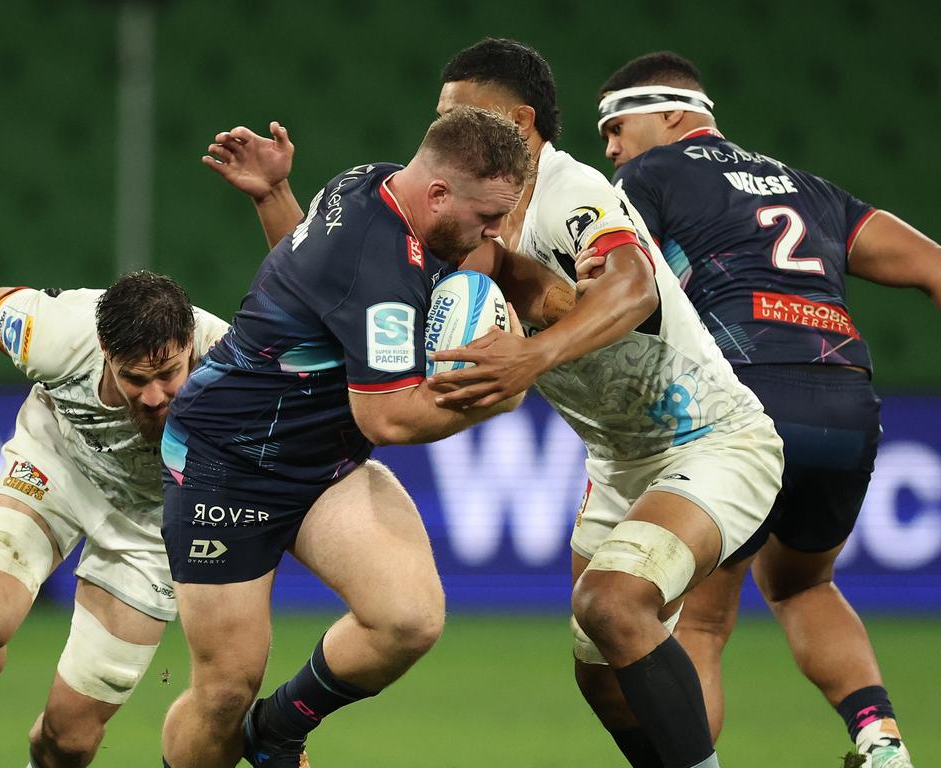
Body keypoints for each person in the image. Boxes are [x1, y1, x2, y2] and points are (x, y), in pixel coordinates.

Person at [222, 39, 784, 768]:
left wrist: (532, 353)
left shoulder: (568, 189)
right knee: (604, 680)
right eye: (438, 117)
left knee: (613, 606)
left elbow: (633, 286)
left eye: (460, 114)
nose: (441, 132)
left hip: (715, 440)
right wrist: (276, 199)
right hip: (620, 462)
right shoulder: (464, 215)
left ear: (520, 124)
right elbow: (327, 285)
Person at [583, 51, 941, 768]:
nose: (613, 147)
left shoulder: (644, 179)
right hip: (845, 402)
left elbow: (614, 285)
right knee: (805, 583)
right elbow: (932, 265)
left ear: (673, 113)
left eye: (617, 127)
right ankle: (881, 739)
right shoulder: (810, 188)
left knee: (701, 621)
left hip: (741, 402)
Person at [158, 106, 534, 768]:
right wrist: (498, 395)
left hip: (321, 462)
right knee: (222, 692)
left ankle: (275, 732)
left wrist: (275, 195)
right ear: (439, 193)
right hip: (226, 462)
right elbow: (386, 419)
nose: (495, 234)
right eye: (488, 216)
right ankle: (249, 728)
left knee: (407, 618)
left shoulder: (373, 181)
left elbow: (308, 272)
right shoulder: (382, 268)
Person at [0, 272, 229, 768]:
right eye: (135, 378)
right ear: (105, 348)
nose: (154, 397)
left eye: (168, 373)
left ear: (189, 344)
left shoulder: (234, 365)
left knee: (68, 740)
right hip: (54, 467)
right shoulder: (58, 333)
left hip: (150, 525)